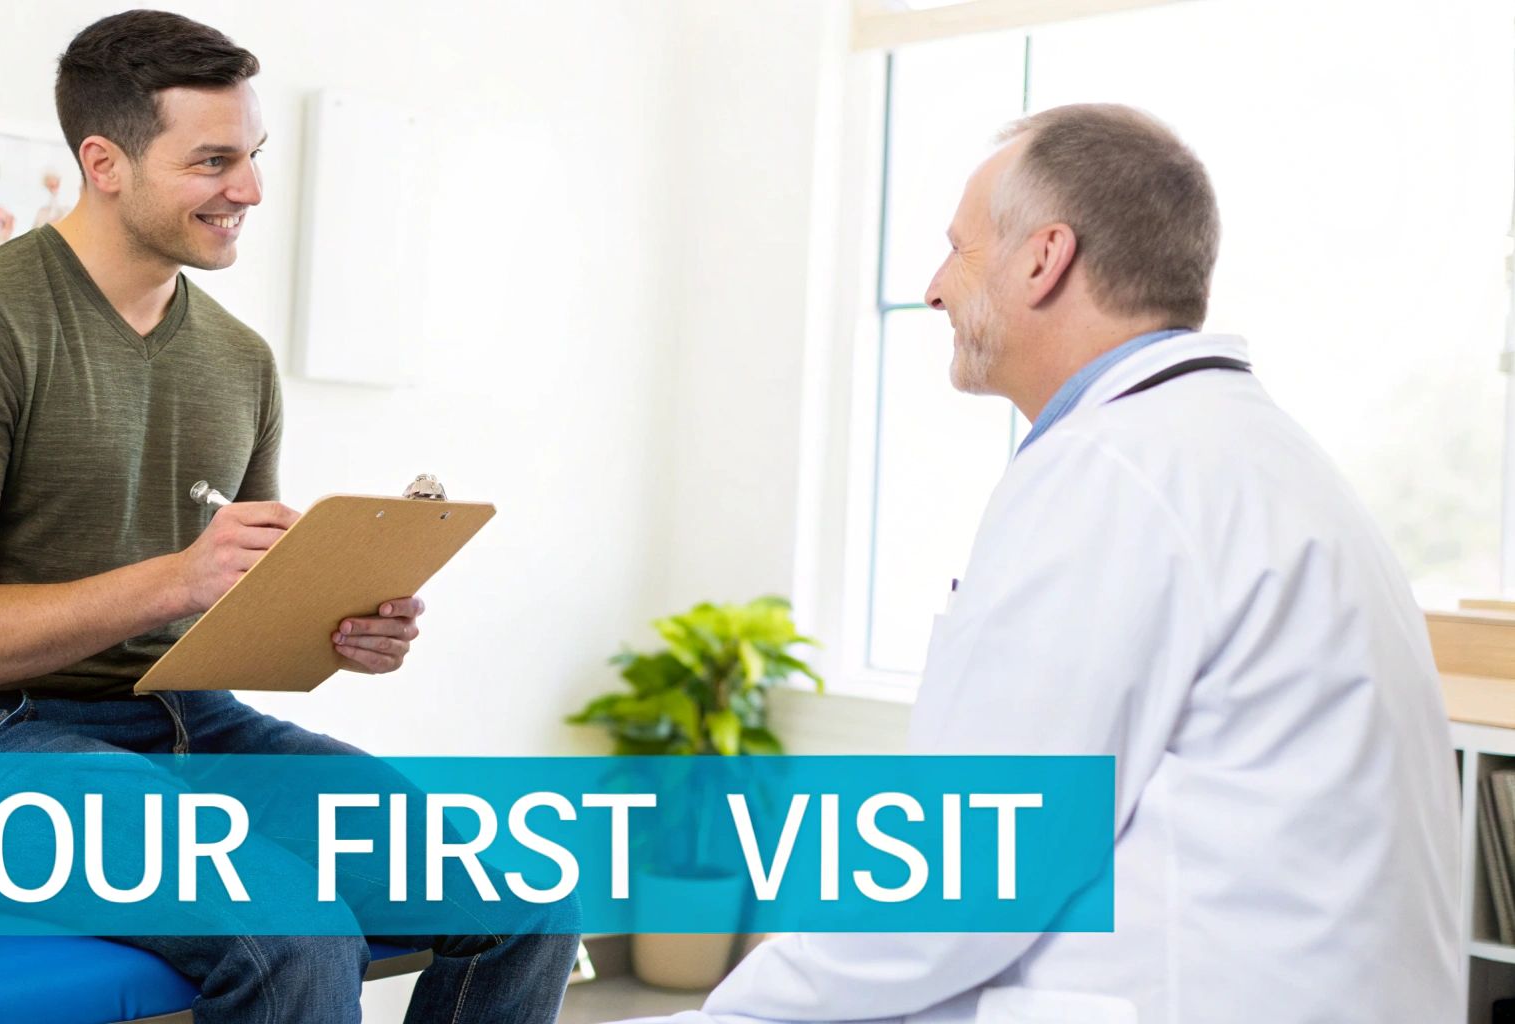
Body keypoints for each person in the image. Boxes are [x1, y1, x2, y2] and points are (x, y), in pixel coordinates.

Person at [626, 104, 1461, 1023]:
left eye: (959, 248)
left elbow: (958, 887)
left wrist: (718, 1017)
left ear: (1043, 258)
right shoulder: (1257, 459)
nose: (936, 288)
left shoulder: (1114, 472)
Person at [0, 11, 577, 1022]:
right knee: (298, 925)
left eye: (250, 156)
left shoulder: (237, 359)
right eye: (211, 161)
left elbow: (221, 614)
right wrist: (178, 576)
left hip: (188, 722)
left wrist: (336, 623)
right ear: (104, 162)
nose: (247, 188)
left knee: (526, 898)